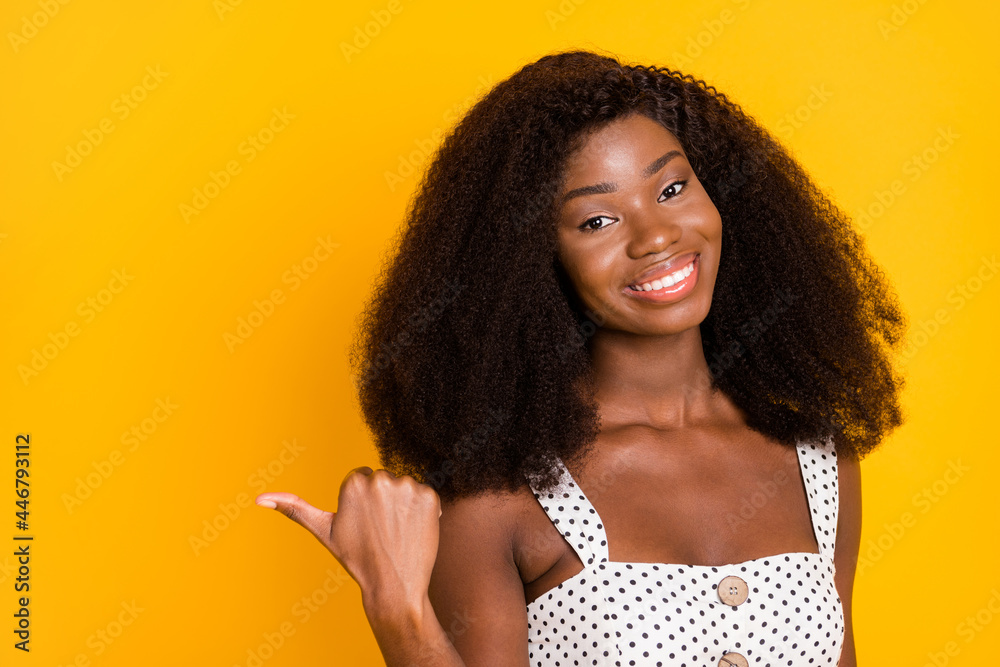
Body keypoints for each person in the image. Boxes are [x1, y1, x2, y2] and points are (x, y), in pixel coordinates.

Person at [255, 49, 907, 666]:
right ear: (533, 262)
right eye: (597, 221)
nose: (656, 236)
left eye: (673, 188)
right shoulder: (500, 494)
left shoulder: (818, 460)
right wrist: (399, 608)